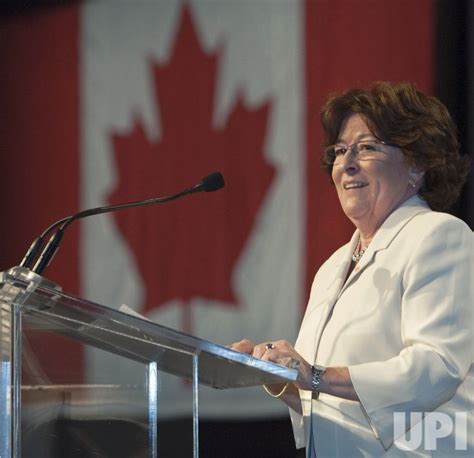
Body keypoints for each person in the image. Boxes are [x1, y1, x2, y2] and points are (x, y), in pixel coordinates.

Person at [231, 82, 473, 457]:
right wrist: (276, 374)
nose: (346, 164)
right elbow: (330, 403)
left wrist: (313, 374)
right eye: (341, 150)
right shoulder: (331, 269)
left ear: (417, 164)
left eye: (366, 147)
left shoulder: (440, 237)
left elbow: (435, 367)